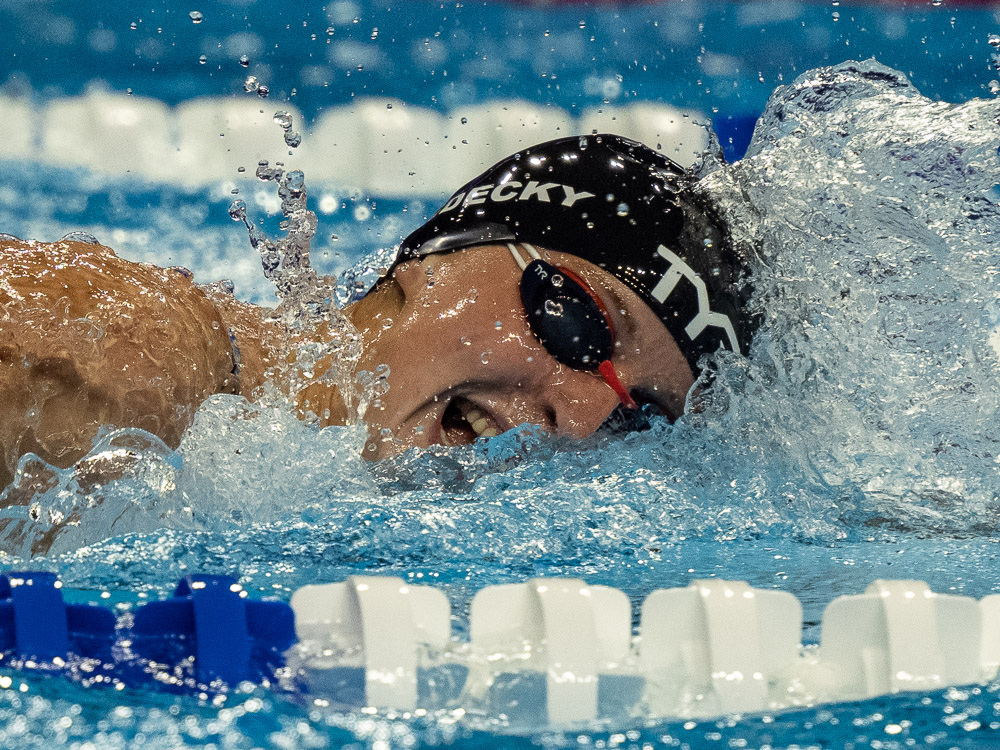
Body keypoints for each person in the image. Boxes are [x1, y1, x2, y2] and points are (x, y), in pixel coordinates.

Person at [0, 134, 752, 489]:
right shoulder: (131, 361)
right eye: (580, 324)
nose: (583, 421)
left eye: (639, 416)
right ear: (438, 256)